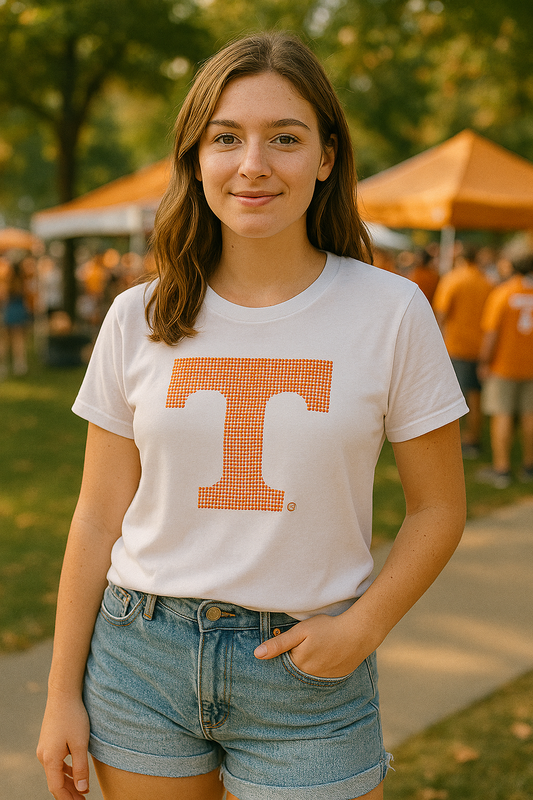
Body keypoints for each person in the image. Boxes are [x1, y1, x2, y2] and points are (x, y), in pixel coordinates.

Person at [37, 32, 467, 800]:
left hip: (306, 675)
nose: (253, 164)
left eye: (285, 139)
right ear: (195, 157)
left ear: (326, 157)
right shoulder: (140, 314)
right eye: (226, 138)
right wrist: (59, 692)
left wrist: (362, 627)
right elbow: (98, 515)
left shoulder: (390, 311)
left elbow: (438, 507)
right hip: (141, 662)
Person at [476, 254, 533, 488]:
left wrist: (484, 361)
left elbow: (491, 333)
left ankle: (502, 469)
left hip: (504, 365)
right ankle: (529, 466)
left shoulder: (503, 293)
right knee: (530, 416)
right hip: (530, 365)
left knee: (502, 415)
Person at [433, 245, 493, 458]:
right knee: (475, 397)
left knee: (451, 399)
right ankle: (473, 438)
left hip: (456, 346)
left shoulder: (453, 279)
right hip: (480, 347)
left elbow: (440, 313)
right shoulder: (486, 281)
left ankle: (457, 442)